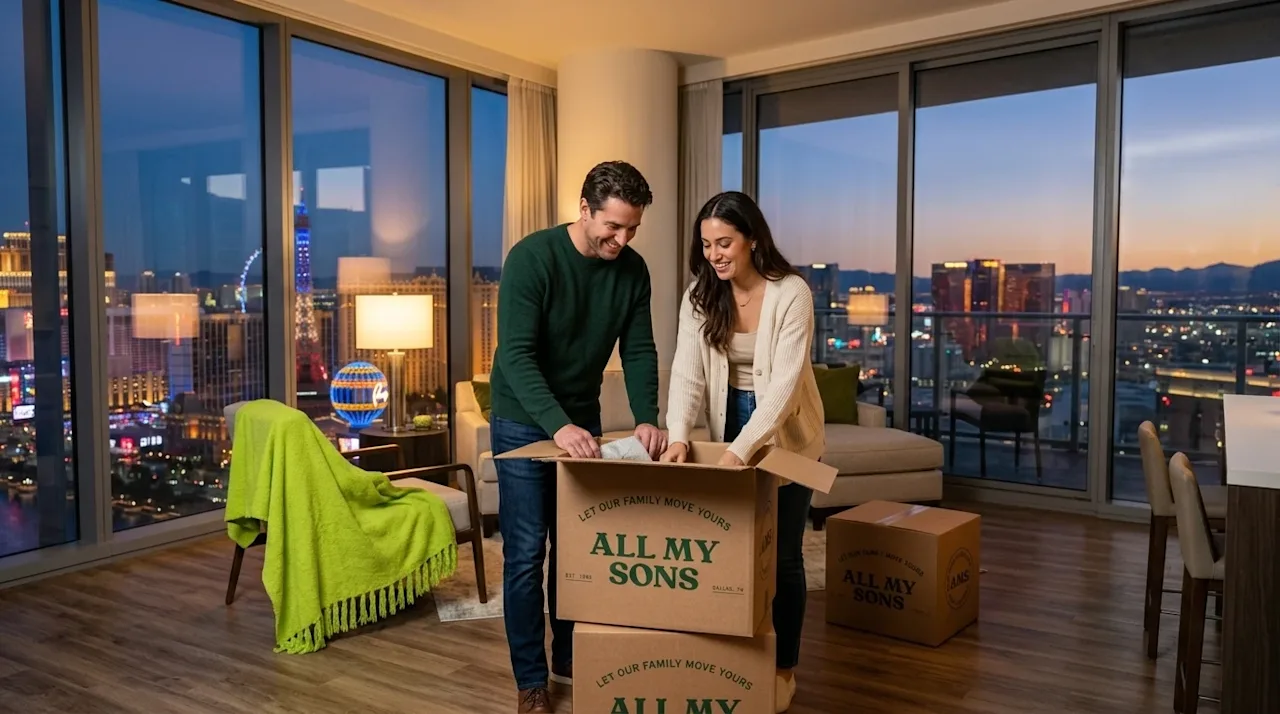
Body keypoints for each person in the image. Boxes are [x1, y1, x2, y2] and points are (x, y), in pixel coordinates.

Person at [490, 160, 667, 714]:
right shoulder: (532, 258)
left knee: (575, 549)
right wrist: (557, 425)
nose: (622, 239)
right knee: (525, 553)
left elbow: (638, 349)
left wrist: (647, 416)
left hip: (582, 417)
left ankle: (568, 654)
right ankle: (531, 681)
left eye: (632, 228)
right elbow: (515, 356)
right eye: (613, 226)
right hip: (523, 417)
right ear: (584, 209)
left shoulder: (633, 271)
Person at [660, 191, 823, 714]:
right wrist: (681, 433)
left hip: (787, 429)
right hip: (726, 415)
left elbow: (783, 389)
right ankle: (732, 656)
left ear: (753, 238)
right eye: (706, 244)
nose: (715, 254)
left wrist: (742, 450)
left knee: (785, 557)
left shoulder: (791, 292)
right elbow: (686, 371)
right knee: (729, 547)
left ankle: (784, 668)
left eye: (725, 242)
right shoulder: (699, 295)